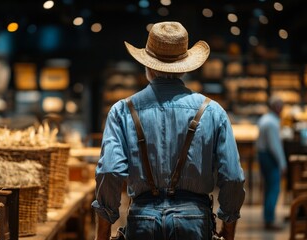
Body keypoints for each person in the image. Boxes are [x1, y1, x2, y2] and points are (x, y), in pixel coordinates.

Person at [92, 21, 245, 240]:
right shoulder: (212, 111)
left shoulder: (123, 111)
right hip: (196, 223)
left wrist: (102, 233)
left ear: (147, 65)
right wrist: (228, 230)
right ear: (184, 67)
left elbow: (110, 172)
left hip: (142, 223)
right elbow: (232, 177)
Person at [256, 95, 287, 230]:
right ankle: (269, 220)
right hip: (270, 157)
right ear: (277, 107)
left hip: (263, 155)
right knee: (274, 189)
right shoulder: (271, 123)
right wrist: (283, 164)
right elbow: (275, 146)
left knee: (269, 188)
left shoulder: (265, 119)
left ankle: (268, 218)